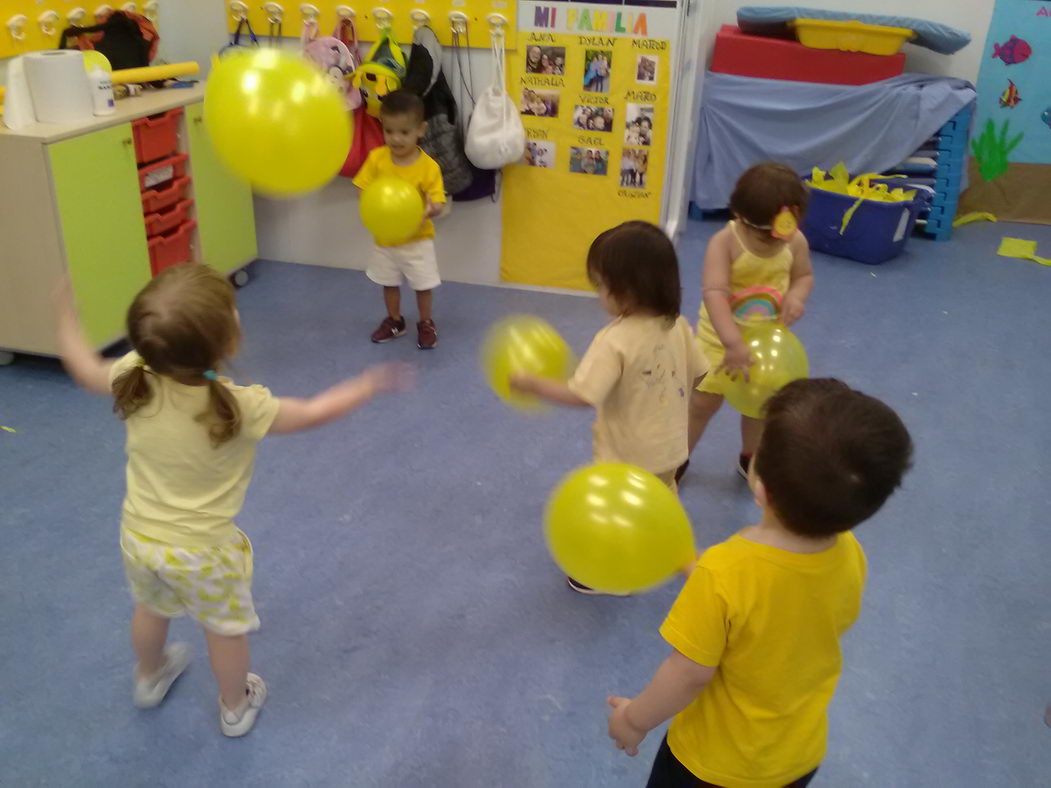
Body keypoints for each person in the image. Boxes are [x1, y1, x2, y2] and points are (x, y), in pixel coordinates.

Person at [53, 264, 413, 737]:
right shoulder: (242, 406)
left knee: (150, 607)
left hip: (139, 536)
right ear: (228, 342)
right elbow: (311, 413)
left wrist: (64, 317)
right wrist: (365, 386)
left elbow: (82, 369)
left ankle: (149, 676)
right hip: (203, 551)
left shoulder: (132, 374)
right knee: (225, 630)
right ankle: (235, 705)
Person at [608, 378, 913, 786]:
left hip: (713, 764)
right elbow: (788, 608)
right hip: (796, 756)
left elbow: (688, 675)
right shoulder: (850, 552)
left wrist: (633, 718)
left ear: (761, 487)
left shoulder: (726, 573)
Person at [510, 222, 709, 594]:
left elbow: (583, 395)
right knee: (662, 499)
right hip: (670, 449)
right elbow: (701, 375)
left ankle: (615, 574)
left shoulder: (614, 340)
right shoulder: (677, 325)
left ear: (626, 291)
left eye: (601, 286)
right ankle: (684, 558)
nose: (599, 294)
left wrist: (532, 383)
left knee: (621, 511)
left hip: (627, 456)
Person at [680, 162, 813, 483]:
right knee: (703, 403)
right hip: (719, 343)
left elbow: (803, 275)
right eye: (764, 237)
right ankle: (679, 456)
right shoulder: (725, 243)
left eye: (781, 235)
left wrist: (796, 296)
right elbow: (714, 293)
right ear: (739, 216)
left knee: (762, 407)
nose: (774, 243)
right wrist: (732, 343)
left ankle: (750, 458)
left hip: (768, 347)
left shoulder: (793, 241)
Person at [354, 90, 446, 349]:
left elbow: (437, 203)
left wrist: (429, 209)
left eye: (404, 132)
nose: (396, 138)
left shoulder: (429, 167)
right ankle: (395, 321)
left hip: (418, 239)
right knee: (388, 282)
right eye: (389, 131)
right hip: (385, 239)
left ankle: (426, 322)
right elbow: (362, 188)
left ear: (421, 129)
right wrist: (371, 204)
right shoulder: (377, 159)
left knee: (423, 285)